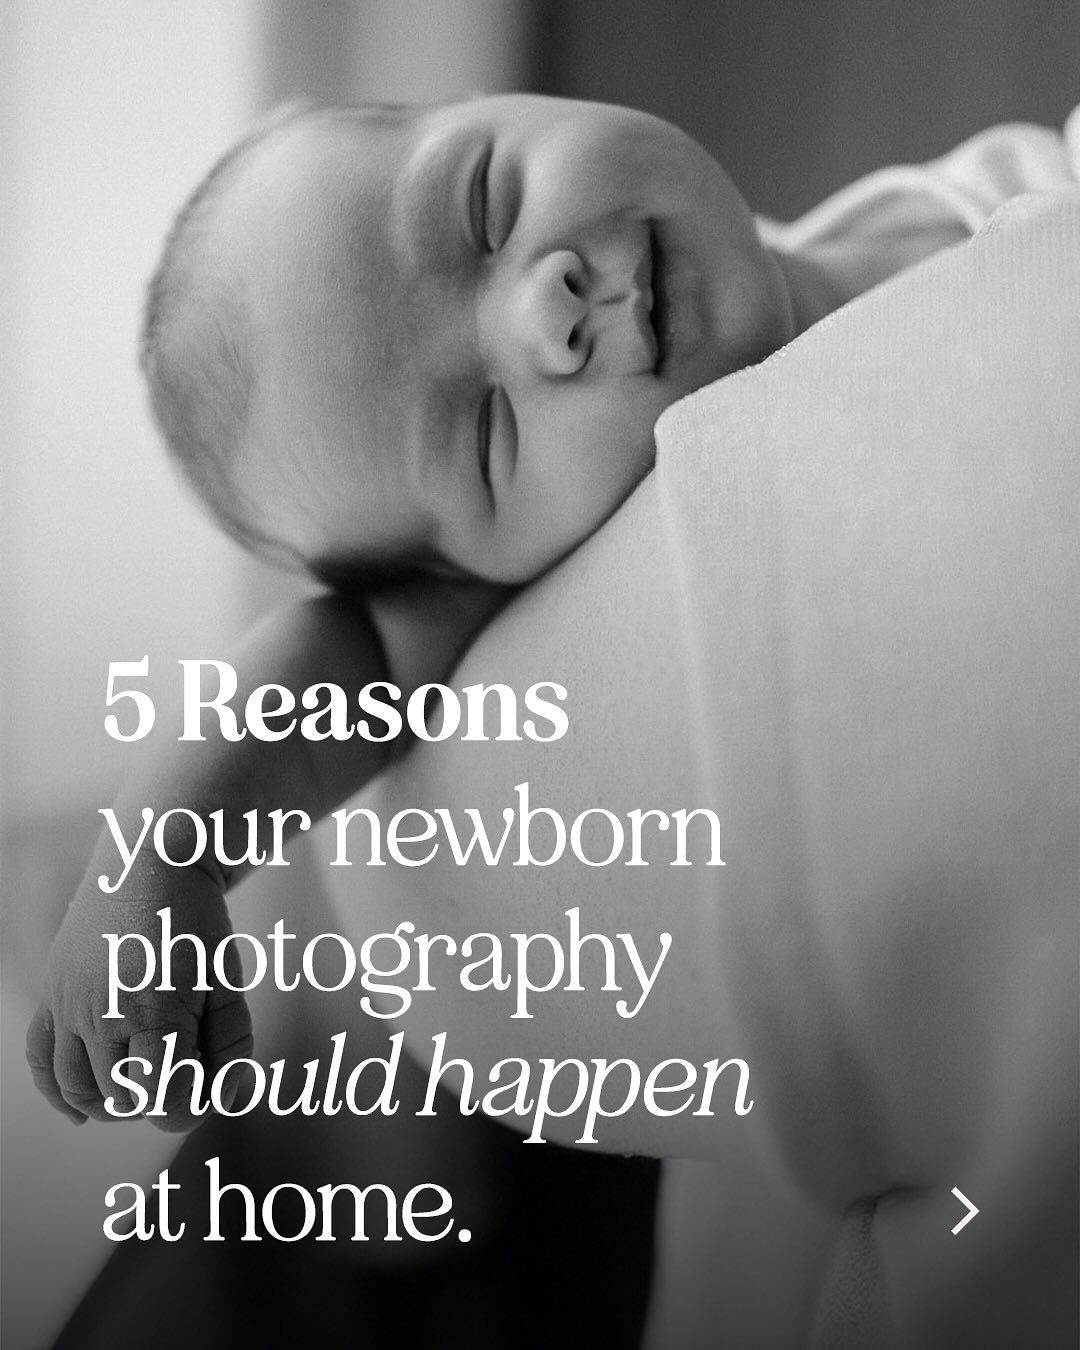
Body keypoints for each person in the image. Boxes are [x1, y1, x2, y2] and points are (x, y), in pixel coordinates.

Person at [26, 93, 1078, 1126]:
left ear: (495, 102)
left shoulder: (947, 201)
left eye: (481, 204)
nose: (549, 313)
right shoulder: (650, 520)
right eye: (487, 434)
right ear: (470, 573)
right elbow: (343, 659)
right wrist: (162, 857)